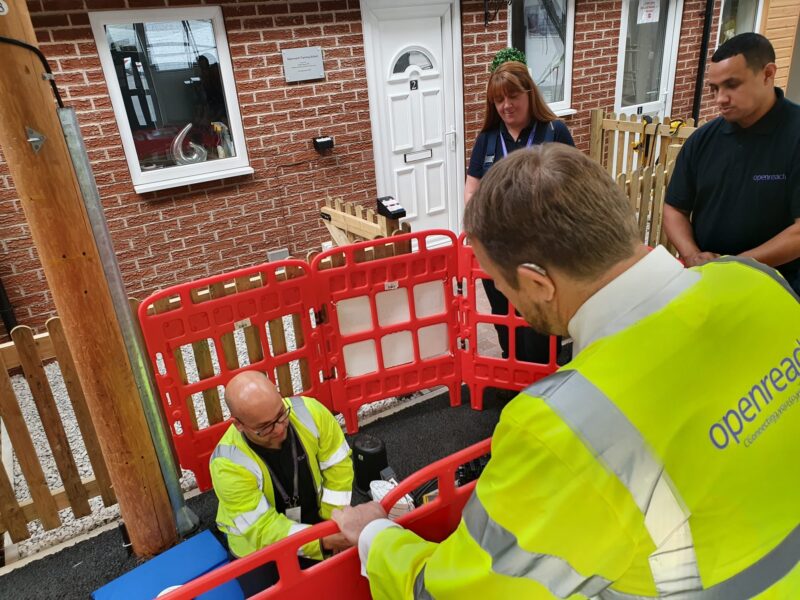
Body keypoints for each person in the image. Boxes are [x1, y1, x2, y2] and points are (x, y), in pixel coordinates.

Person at [332, 144, 800, 598]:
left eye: (498, 285)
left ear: (538, 282)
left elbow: (447, 592)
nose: (503, 299)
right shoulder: (756, 281)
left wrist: (373, 533)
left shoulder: (561, 425)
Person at [664, 33, 800, 293]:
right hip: (710, 285)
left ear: (768, 74)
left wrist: (739, 264)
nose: (720, 99)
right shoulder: (703, 140)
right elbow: (674, 209)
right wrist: (692, 255)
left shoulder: (795, 136)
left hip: (781, 292)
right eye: (715, 89)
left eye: (732, 85)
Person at [465, 59, 575, 367]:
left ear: (529, 94)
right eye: (498, 99)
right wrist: (476, 228)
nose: (506, 105)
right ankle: (513, 383)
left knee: (538, 331)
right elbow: (472, 189)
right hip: (498, 255)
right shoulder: (487, 139)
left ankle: (543, 385)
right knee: (505, 325)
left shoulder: (554, 132)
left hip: (542, 258)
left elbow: (577, 186)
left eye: (513, 96)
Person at [210, 371, 354, 594]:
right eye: (265, 427)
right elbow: (263, 529)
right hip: (256, 546)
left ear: (279, 393)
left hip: (317, 521)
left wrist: (331, 522)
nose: (279, 429)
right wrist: (321, 542)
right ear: (239, 425)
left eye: (281, 414)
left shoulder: (311, 412)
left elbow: (339, 468)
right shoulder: (227, 464)